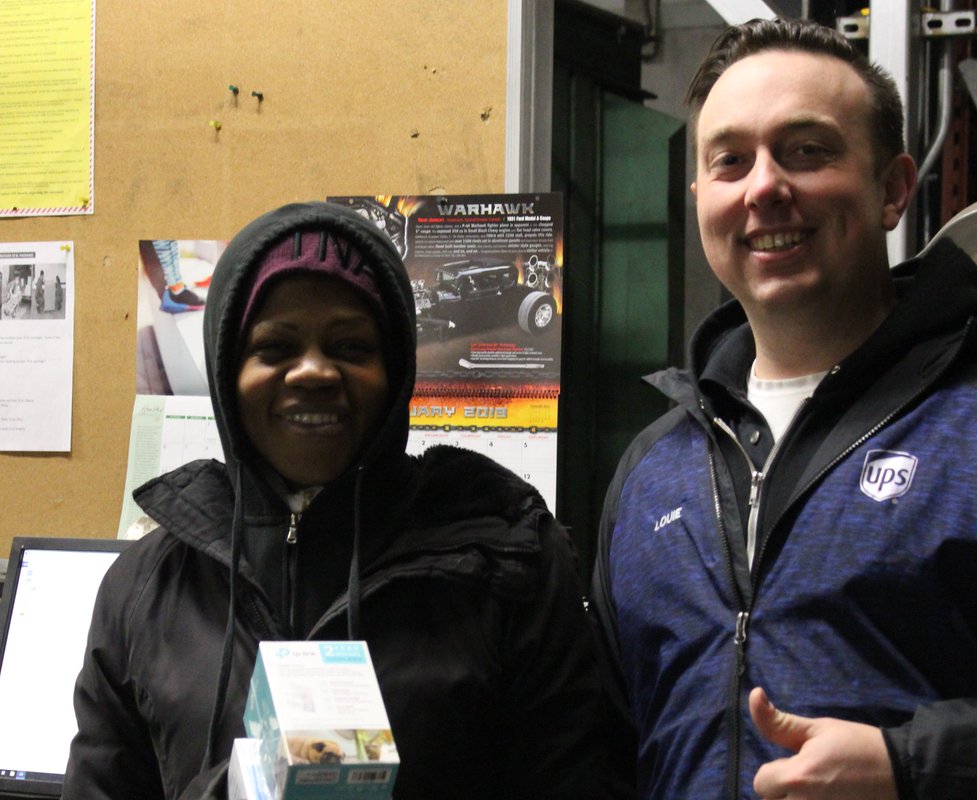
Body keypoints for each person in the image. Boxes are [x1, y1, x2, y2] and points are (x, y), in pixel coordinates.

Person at [590, 17, 977, 800]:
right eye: (731, 160)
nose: (765, 186)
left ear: (893, 189)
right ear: (701, 195)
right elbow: (605, 742)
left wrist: (920, 766)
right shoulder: (656, 468)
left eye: (807, 150)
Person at [65, 201, 622, 799]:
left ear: (397, 371)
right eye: (274, 348)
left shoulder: (508, 564)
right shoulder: (146, 589)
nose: (313, 372)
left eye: (352, 347)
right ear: (227, 372)